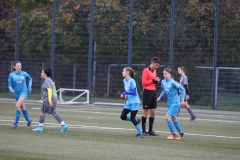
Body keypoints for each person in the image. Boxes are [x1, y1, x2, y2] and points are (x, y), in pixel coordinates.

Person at [32, 68, 68, 132]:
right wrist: (44, 96)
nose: (41, 73)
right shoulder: (50, 80)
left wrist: (49, 100)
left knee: (42, 112)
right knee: (54, 113)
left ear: (45, 74)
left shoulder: (47, 81)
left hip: (49, 99)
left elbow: (49, 90)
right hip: (54, 98)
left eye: (42, 72)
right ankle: (64, 125)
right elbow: (50, 90)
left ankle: (40, 127)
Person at [157, 68, 185, 140]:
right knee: (174, 118)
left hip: (175, 102)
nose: (164, 75)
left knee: (167, 117)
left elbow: (183, 89)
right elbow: (164, 90)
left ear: (170, 74)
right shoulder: (163, 82)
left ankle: (172, 134)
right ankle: (181, 133)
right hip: (169, 103)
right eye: (163, 73)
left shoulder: (173, 82)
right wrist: (159, 97)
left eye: (166, 73)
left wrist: (182, 99)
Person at [8, 61, 32, 129]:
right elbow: (9, 85)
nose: (19, 67)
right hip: (16, 94)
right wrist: (11, 89)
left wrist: (29, 87)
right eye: (18, 66)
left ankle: (15, 123)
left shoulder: (24, 73)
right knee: (23, 108)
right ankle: (29, 121)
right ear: (14, 67)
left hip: (23, 92)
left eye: (20, 66)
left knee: (17, 106)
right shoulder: (11, 75)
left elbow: (30, 79)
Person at [120, 67, 142, 138]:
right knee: (123, 116)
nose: (122, 72)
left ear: (127, 73)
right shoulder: (124, 80)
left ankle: (140, 133)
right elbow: (128, 90)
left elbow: (134, 92)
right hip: (129, 102)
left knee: (132, 118)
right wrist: (126, 94)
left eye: (123, 71)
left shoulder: (132, 81)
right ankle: (136, 120)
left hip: (135, 102)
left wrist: (125, 93)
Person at [141, 57, 161, 136]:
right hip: (147, 92)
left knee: (153, 112)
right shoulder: (145, 71)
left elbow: (153, 82)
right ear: (152, 63)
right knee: (146, 112)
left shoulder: (155, 71)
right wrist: (153, 80)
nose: (157, 67)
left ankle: (150, 130)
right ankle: (143, 131)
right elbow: (143, 83)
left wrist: (156, 81)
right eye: (156, 65)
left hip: (153, 92)